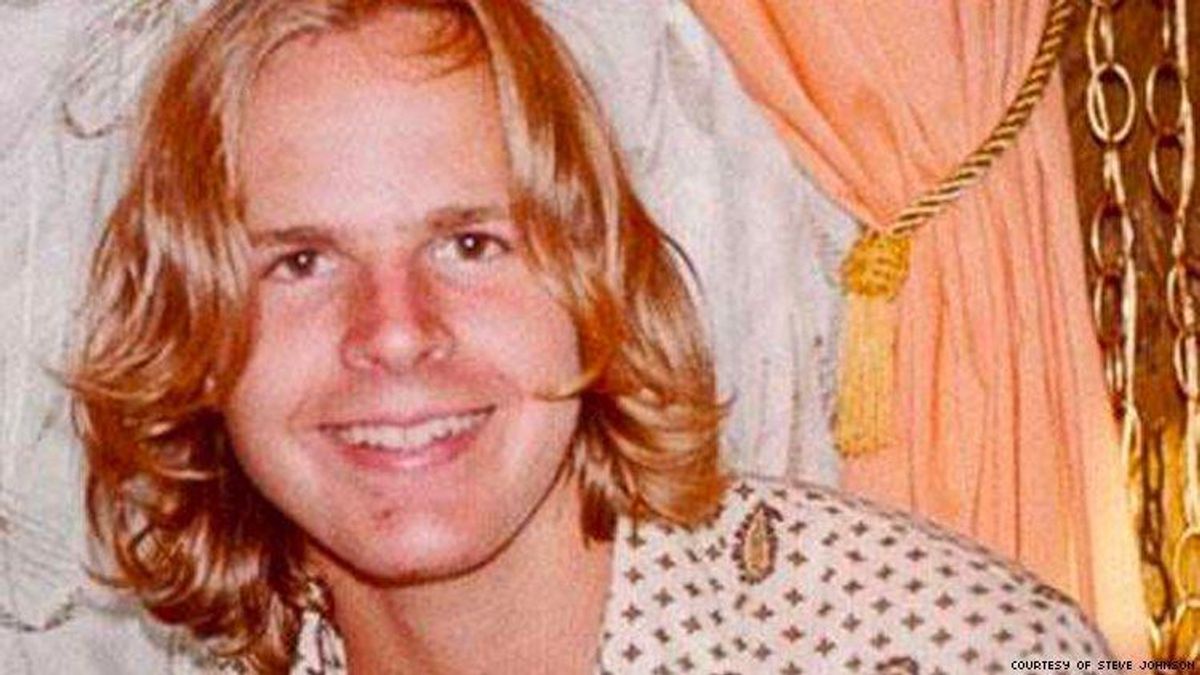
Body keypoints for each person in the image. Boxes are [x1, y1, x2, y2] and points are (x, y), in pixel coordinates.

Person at [70, 1, 1112, 673]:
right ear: (193, 338)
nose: (394, 332)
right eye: (300, 262)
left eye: (471, 244)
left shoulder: (964, 648)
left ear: (597, 279)